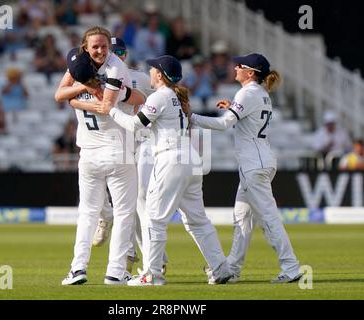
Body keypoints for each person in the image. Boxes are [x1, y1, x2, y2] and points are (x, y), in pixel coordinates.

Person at [95, 55, 232, 286]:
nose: (149, 72)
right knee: (198, 220)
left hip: (171, 159)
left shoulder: (160, 96)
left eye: (152, 69)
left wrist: (111, 110)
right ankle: (220, 269)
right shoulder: (175, 97)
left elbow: (134, 124)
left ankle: (152, 274)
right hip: (190, 159)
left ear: (159, 75)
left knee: (154, 219)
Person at [190, 53, 303, 283]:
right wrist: (233, 107)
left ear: (250, 73)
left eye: (240, 65)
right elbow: (248, 119)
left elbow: (223, 124)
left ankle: (291, 267)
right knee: (242, 217)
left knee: (269, 218)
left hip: (254, 165)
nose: (235, 68)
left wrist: (190, 117)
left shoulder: (248, 92)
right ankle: (232, 268)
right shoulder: (261, 93)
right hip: (260, 162)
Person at [54, 26, 145, 286]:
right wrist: (82, 91)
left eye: (104, 46)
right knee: (117, 213)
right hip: (108, 152)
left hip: (101, 152)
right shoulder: (87, 66)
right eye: (95, 46)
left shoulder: (110, 68)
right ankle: (106, 271)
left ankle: (81, 268)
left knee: (91, 213)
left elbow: (96, 104)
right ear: (85, 47)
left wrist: (76, 98)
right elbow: (64, 96)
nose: (101, 51)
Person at [91, 37, 169, 274]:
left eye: (121, 51)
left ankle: (144, 257)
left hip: (140, 145)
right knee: (119, 200)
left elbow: (159, 98)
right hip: (111, 142)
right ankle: (123, 241)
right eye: (115, 51)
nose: (119, 55)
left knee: (137, 204)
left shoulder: (141, 77)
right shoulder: (96, 77)